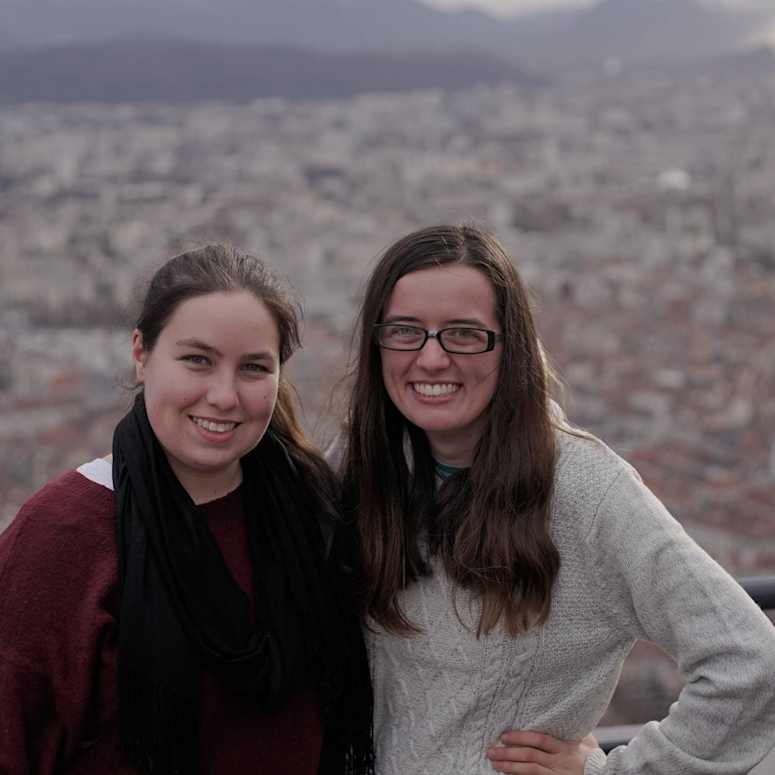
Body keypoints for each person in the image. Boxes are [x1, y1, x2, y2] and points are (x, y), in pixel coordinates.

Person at [339, 224, 775, 775]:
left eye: (464, 334)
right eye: (405, 331)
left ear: (511, 345)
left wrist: (613, 773)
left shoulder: (584, 491)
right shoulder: (365, 468)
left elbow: (753, 664)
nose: (430, 359)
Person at [0, 244, 374, 775]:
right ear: (141, 353)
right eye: (197, 360)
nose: (224, 396)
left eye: (253, 368)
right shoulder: (63, 535)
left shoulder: (313, 508)